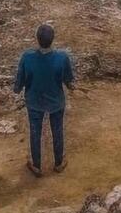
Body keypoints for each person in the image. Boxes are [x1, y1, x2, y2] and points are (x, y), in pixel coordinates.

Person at [13, 22, 75, 176]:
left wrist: (17, 89)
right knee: (57, 130)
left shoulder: (27, 57)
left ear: (37, 39)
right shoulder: (62, 58)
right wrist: (72, 87)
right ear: (53, 39)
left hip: (34, 101)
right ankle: (59, 163)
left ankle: (36, 165)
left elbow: (19, 81)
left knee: (35, 132)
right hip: (56, 101)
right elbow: (68, 80)